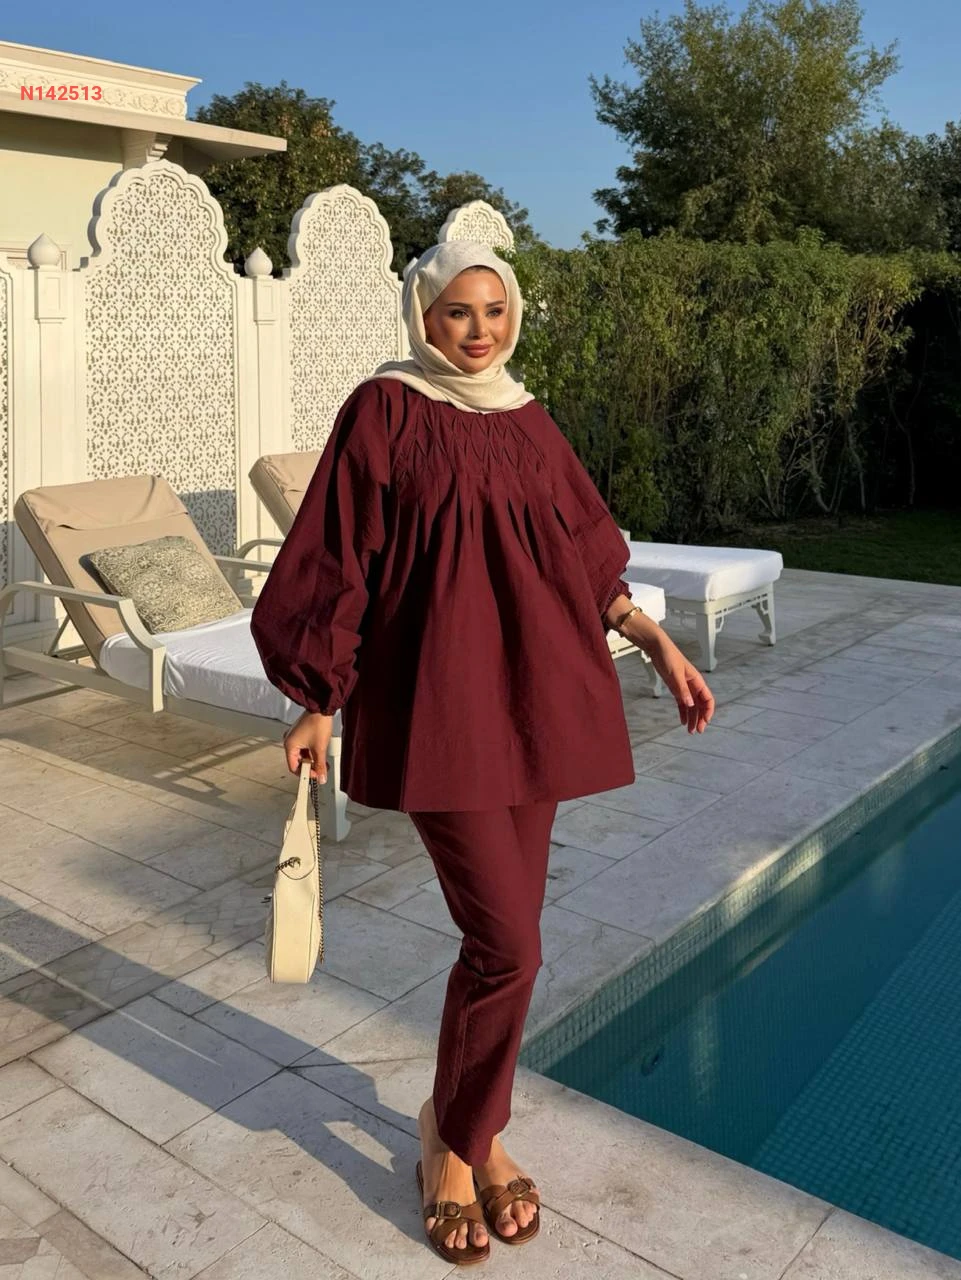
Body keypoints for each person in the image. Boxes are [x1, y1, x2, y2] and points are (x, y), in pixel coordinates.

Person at [250, 239, 715, 1265]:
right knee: (508, 945)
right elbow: (339, 554)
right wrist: (317, 697)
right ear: (423, 315)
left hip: (533, 703)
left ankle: (470, 1126)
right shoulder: (385, 411)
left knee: (505, 943)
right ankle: (457, 1145)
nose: (478, 330)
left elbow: (583, 551)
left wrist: (655, 640)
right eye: (457, 311)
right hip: (438, 708)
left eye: (494, 310)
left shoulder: (528, 418)